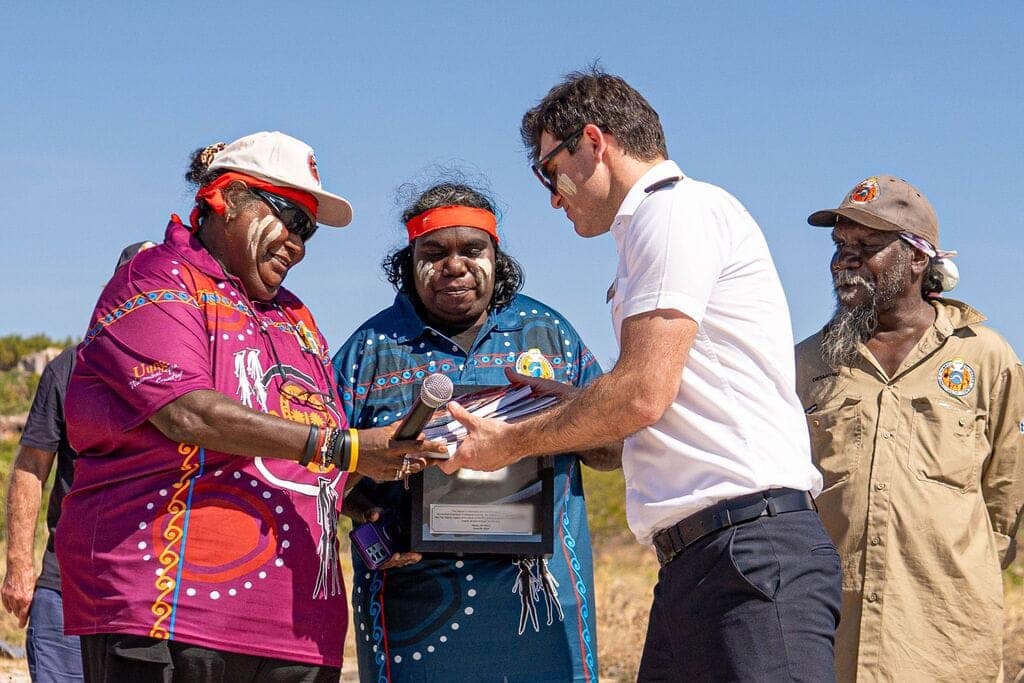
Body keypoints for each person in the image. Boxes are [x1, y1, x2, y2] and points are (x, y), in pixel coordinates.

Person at [442, 68, 841, 681]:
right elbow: (656, 403)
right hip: (704, 558)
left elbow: (641, 394)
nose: (552, 195)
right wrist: (577, 406)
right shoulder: (655, 227)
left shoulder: (673, 211)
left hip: (750, 552)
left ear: (594, 143)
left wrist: (508, 442)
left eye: (549, 169)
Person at [56, 132, 443, 681]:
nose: (299, 243)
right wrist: (344, 447)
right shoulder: (155, 279)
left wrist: (370, 506)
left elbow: (305, 461)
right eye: (290, 216)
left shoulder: (297, 317)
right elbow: (187, 412)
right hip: (171, 614)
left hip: (299, 628)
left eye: (308, 230)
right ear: (225, 198)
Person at [332, 180, 620, 682]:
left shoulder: (548, 334)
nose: (455, 265)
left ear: (496, 256)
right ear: (409, 260)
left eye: (472, 249)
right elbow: (318, 471)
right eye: (434, 251)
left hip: (542, 601)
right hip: (411, 600)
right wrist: (364, 511)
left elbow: (613, 449)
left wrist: (568, 417)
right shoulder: (369, 350)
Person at [795, 175, 1024, 680]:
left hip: (943, 636)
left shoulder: (985, 357)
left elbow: (1004, 498)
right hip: (830, 632)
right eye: (840, 245)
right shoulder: (806, 364)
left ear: (918, 259)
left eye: (867, 246)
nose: (844, 260)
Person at [2, 241, 153, 683]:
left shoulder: (192, 382)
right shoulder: (68, 368)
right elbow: (31, 466)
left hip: (153, 595)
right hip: (66, 587)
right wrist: (19, 567)